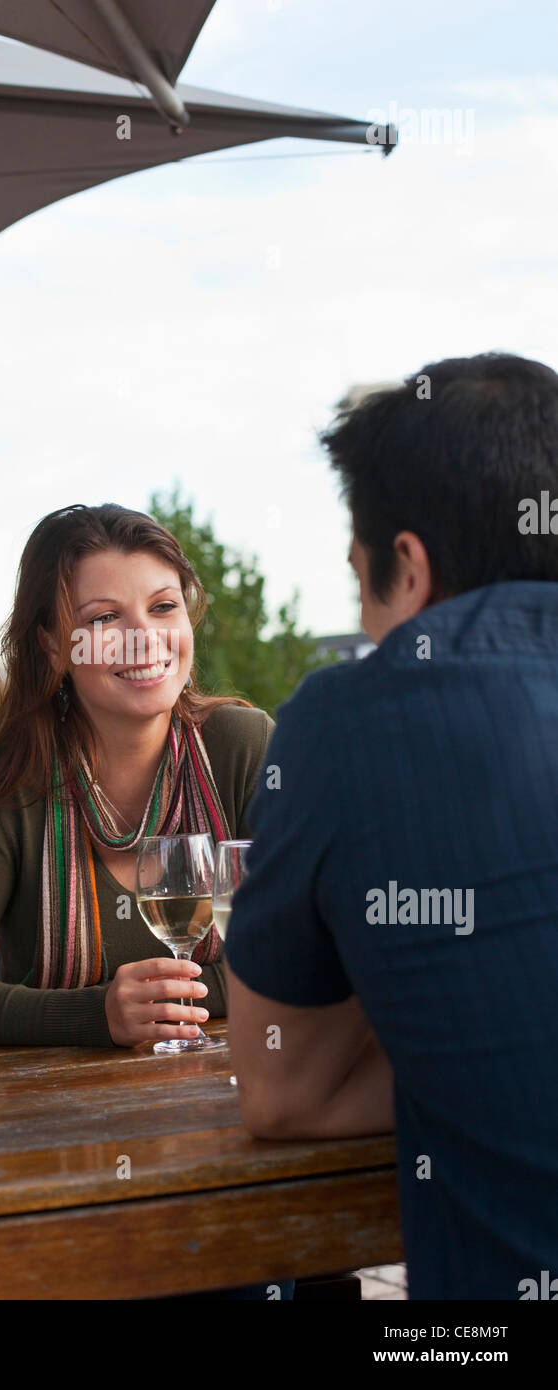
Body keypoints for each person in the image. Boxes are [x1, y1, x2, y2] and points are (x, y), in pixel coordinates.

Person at [225, 352, 558, 1301]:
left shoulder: (349, 723)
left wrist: (461, 1060)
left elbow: (285, 1092)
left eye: (359, 589)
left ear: (406, 569)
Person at [0, 503, 273, 1055]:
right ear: (53, 644)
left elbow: (304, 947)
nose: (143, 636)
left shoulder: (242, 745)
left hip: (232, 1099)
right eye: (103, 619)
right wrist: (98, 1014)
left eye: (163, 606)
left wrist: (160, 1007)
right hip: (57, 1118)